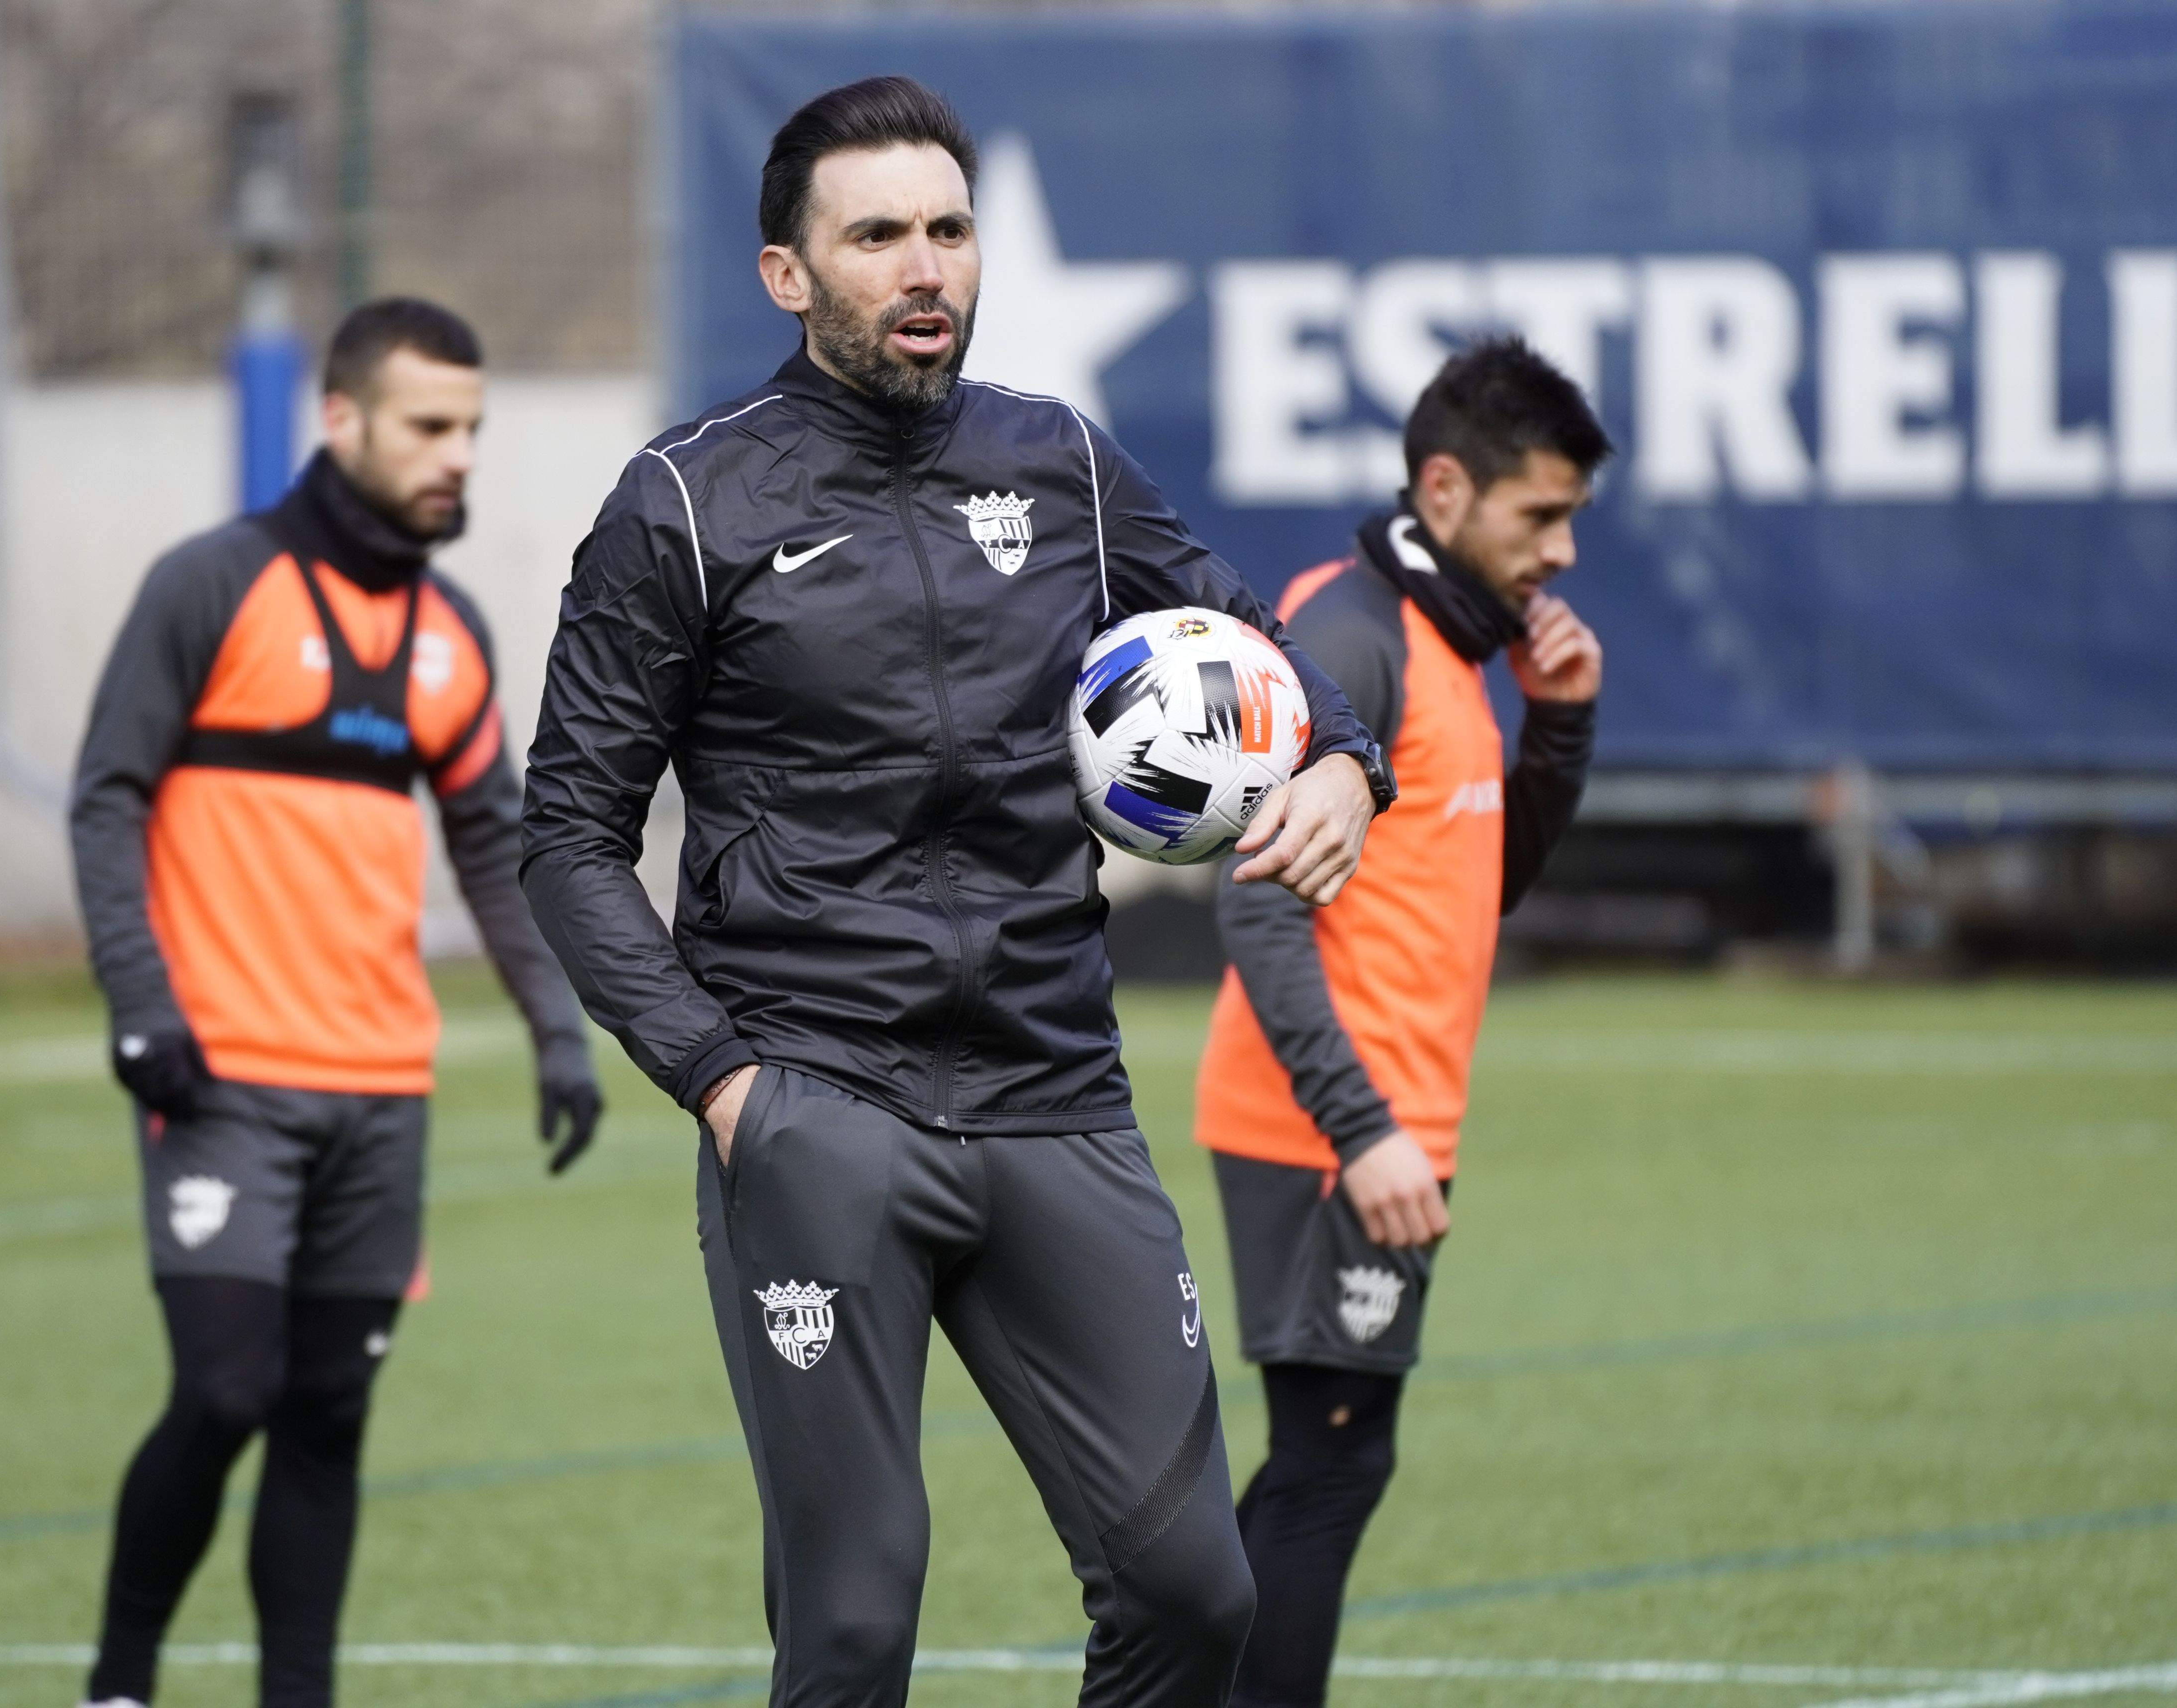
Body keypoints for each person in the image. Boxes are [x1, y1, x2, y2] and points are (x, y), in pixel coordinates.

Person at [520, 76, 1396, 1708]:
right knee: (853, 1625)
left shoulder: (1058, 462)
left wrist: (1341, 754)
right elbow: (566, 832)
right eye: (877, 238)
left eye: (949, 229)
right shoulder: (685, 503)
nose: (927, 268)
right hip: (818, 1109)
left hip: (1058, 1094)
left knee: (1197, 1590)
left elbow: (1233, 616)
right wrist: (726, 1086)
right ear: (789, 273)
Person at [67, 296, 601, 1708]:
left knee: (329, 1411)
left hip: (382, 1090)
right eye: (430, 427)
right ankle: (120, 1680)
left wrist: (558, 1025)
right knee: (228, 1389)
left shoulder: (451, 631)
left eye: (473, 431)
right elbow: (107, 795)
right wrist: (139, 1001)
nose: (456, 457)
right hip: (221, 1078)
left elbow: (492, 841)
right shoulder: (210, 587)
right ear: (341, 419)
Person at [1194, 336, 1610, 1707]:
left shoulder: (1450, 640)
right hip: (1325, 1133)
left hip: (1377, 1129)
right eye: (1537, 515)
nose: (1557, 550)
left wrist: (1556, 729)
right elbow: (1257, 912)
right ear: (1444, 490)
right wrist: (1364, 1131)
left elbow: (1473, 886)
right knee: (1328, 1466)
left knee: (1332, 1462)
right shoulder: (1351, 636)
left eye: (1569, 519)